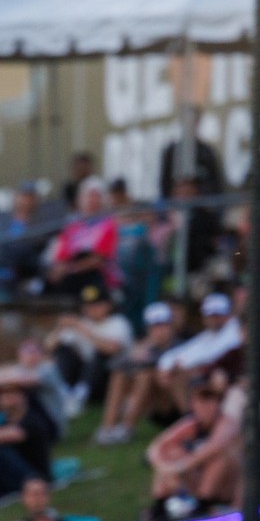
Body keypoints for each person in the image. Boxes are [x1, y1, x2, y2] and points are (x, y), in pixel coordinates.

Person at [145, 379, 240, 521]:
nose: (205, 405)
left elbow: (215, 447)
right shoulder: (191, 424)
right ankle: (161, 503)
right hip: (196, 479)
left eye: (209, 400)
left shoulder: (227, 423)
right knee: (171, 452)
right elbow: (155, 448)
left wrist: (179, 467)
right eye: (200, 400)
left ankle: (204, 504)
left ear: (218, 403)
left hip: (230, 486)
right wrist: (164, 466)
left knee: (220, 457)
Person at [97, 301, 181, 446]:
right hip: (153, 407)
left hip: (173, 406)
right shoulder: (147, 347)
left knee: (146, 374)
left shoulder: (181, 345)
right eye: (154, 326)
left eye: (163, 325)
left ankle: (126, 428)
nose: (159, 330)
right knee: (120, 375)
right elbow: (115, 366)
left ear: (170, 325)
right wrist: (136, 354)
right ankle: (107, 428)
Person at [46, 281, 132, 415]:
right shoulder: (82, 322)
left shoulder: (118, 323)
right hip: (81, 377)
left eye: (97, 305)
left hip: (109, 381)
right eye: (88, 305)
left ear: (108, 305)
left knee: (99, 356)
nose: (92, 309)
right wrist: (60, 328)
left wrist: (82, 329)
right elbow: (49, 347)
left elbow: (112, 349)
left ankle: (79, 397)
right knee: (65, 350)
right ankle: (65, 395)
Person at [44, 177, 117, 298]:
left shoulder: (108, 224)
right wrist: (59, 270)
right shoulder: (72, 225)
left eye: (96, 196)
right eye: (89, 196)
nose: (92, 200)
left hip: (96, 274)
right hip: (72, 272)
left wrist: (71, 269)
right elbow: (62, 254)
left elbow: (98, 259)